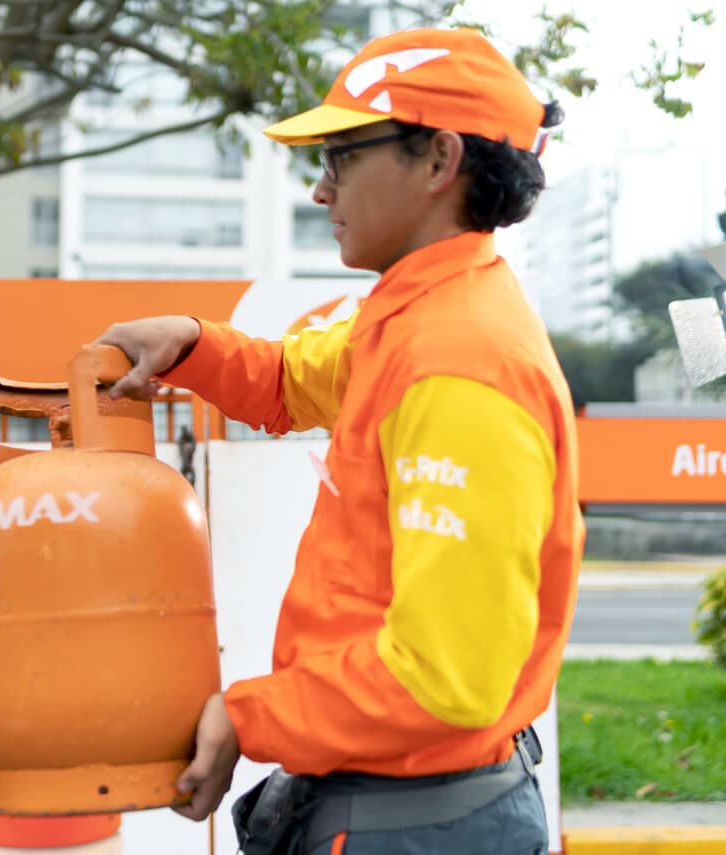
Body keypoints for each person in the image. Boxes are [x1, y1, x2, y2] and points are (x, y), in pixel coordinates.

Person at [96, 28, 583, 854]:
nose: (322, 191)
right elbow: (292, 380)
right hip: (411, 808)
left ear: (438, 160)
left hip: (421, 824)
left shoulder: (459, 361)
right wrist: (191, 345)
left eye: (343, 157)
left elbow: (445, 678)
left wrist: (249, 713)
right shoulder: (417, 317)